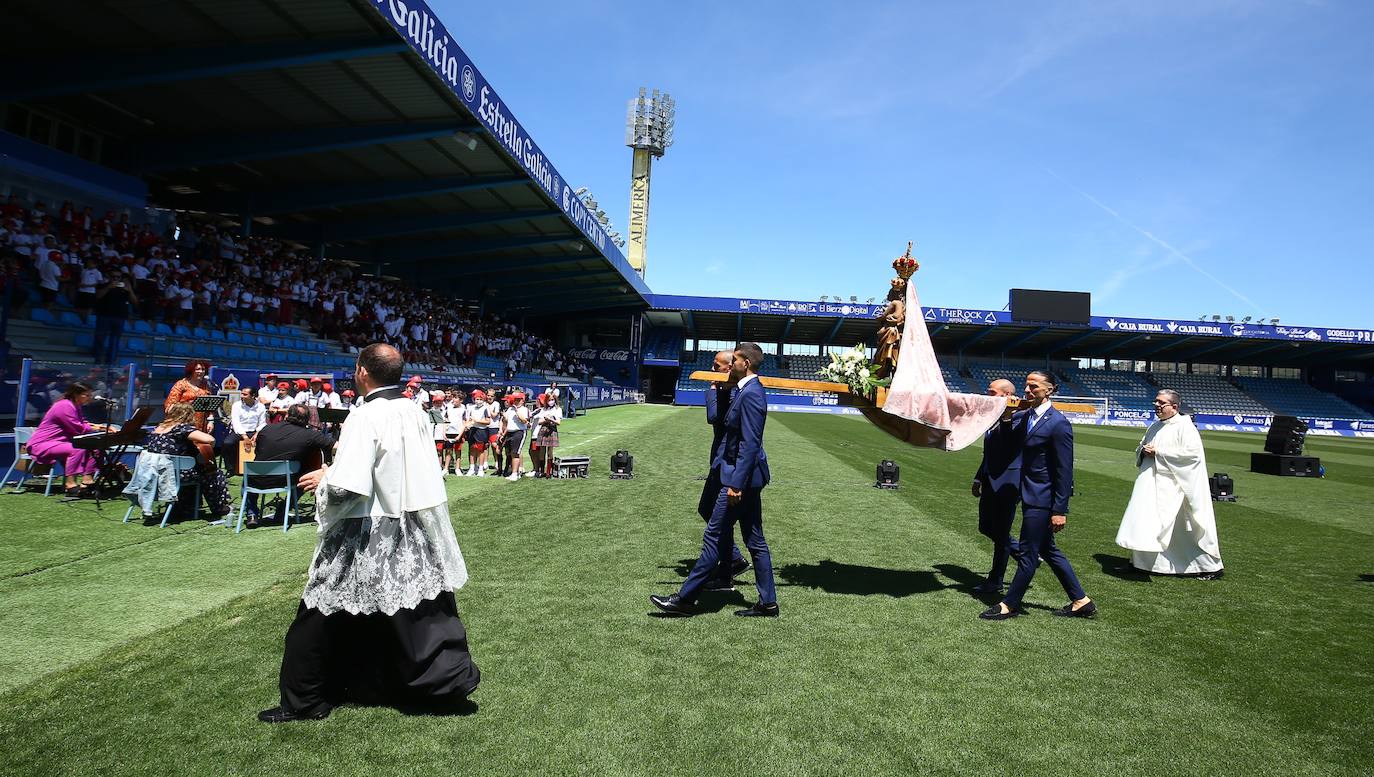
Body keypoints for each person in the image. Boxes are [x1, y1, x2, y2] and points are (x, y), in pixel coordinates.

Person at [259, 343, 479, 723]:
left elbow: (349, 488)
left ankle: (306, 700)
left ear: (362, 371)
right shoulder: (415, 411)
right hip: (413, 523)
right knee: (415, 609)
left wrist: (325, 480)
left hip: (366, 528)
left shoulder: (364, 416)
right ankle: (429, 683)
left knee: (320, 610)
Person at [652, 342, 778, 618]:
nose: (731, 365)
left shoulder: (752, 394)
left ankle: (685, 599)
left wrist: (736, 484)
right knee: (755, 540)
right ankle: (768, 603)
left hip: (739, 480)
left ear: (745, 363)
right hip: (744, 477)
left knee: (714, 535)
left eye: (735, 360)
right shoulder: (745, 390)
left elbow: (750, 444)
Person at [981, 371, 1095, 620]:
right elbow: (1006, 444)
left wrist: (1059, 510)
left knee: (1028, 552)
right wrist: (1007, 417)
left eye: (1034, 386)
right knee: (1048, 550)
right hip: (1028, 492)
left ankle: (1010, 604)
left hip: (1043, 497)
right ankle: (1081, 600)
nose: (1027, 390)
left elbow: (1064, 471)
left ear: (1049, 389)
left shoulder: (1058, 423)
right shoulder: (1025, 416)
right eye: (1026, 385)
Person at [1115, 389, 1224, 579]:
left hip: (1176, 487)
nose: (1156, 405)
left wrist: (1159, 452)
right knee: (1147, 523)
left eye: (1161, 403)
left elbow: (1192, 456)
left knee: (1184, 528)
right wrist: (1143, 450)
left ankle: (1208, 567)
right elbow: (1142, 447)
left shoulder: (1185, 427)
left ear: (1174, 407)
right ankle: (1141, 563)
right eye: (1155, 402)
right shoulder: (1155, 426)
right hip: (1151, 485)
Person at [698, 350, 750, 587]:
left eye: (716, 366)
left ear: (729, 368)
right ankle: (731, 563)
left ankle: (731, 564)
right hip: (720, 461)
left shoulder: (734, 394)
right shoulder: (727, 390)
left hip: (728, 464)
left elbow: (712, 416)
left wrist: (712, 387)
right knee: (708, 510)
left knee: (716, 516)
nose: (712, 369)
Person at [244, 404, 334, 528]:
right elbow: (335, 446)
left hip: (257, 478)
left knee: (249, 478)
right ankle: (283, 508)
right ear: (307, 419)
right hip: (285, 480)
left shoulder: (266, 429)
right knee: (307, 475)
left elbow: (258, 451)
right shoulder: (311, 434)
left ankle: (252, 513)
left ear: (287, 415)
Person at [970, 378, 1021, 594]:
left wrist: (1008, 415)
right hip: (990, 481)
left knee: (1001, 534)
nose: (988, 395)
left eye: (992, 392)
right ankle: (1022, 553)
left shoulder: (1020, 417)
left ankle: (995, 580)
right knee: (985, 527)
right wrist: (979, 478)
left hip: (1008, 484)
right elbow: (989, 453)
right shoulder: (993, 417)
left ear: (1007, 395)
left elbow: (1010, 446)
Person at [141, 402, 234, 519]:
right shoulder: (180, 428)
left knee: (198, 468)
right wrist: (209, 448)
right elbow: (209, 439)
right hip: (175, 474)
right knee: (213, 473)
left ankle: (184, 507)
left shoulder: (158, 428)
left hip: (155, 472)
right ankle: (219, 507)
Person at [25, 381, 112, 497]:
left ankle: (87, 481)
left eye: (90, 395)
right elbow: (77, 427)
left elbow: (83, 423)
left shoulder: (76, 406)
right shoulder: (64, 405)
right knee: (77, 449)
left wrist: (101, 427)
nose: (89, 398)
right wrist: (100, 429)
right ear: (76, 394)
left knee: (97, 447)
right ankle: (70, 485)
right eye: (87, 395)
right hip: (43, 444)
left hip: (61, 442)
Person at [92, 277, 137, 364]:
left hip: (119, 317)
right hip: (104, 316)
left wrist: (130, 290)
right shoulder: (105, 285)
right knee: (100, 338)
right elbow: (97, 296)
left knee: (115, 340)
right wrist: (108, 287)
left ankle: (110, 361)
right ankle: (97, 359)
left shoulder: (125, 289)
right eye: (114, 277)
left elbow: (135, 302)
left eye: (118, 277)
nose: (116, 279)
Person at [224, 386, 267, 475]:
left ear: (253, 396)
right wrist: (245, 437)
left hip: (254, 431)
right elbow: (236, 423)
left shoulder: (261, 406)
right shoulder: (236, 405)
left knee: (267, 442)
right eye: (242, 394)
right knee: (228, 443)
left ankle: (260, 467)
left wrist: (257, 433)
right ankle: (230, 469)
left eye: (245, 394)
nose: (242, 396)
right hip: (239, 431)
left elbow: (262, 423)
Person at [498, 392, 529, 481]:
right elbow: (506, 421)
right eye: (515, 399)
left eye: (518, 400)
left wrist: (516, 411)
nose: (516, 401)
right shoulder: (510, 409)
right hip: (510, 432)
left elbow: (524, 420)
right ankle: (514, 471)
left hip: (519, 432)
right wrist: (502, 433)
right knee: (511, 453)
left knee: (515, 453)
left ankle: (515, 473)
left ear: (522, 400)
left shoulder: (524, 409)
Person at [528, 393, 560, 477]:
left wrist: (550, 419)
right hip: (543, 430)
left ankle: (549, 471)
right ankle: (541, 471)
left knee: (550, 452)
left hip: (552, 430)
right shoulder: (543, 409)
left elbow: (558, 422)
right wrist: (547, 420)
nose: (551, 401)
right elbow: (540, 421)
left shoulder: (557, 409)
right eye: (549, 400)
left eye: (552, 400)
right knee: (542, 452)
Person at [465, 389, 493, 477]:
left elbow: (488, 421)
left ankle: (481, 469)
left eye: (480, 399)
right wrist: (467, 425)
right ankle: (472, 468)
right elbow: (468, 419)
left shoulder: (485, 408)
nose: (478, 401)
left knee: (480, 450)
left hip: (481, 431)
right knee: (472, 449)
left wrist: (477, 421)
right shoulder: (471, 408)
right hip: (472, 430)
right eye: (477, 399)